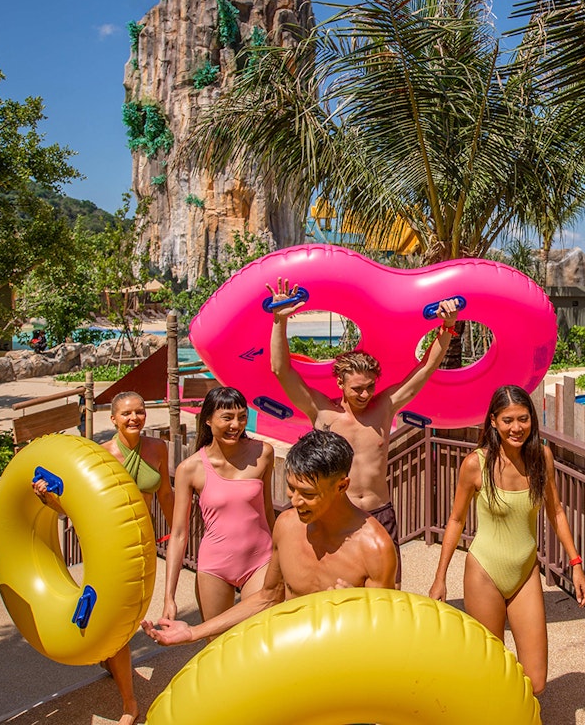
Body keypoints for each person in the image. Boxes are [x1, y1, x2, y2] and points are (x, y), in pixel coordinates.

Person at [267, 276, 460, 580]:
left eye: (369, 387)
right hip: (333, 515)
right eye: (357, 388)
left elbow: (425, 368)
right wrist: (280, 321)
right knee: (333, 587)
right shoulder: (321, 412)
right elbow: (281, 369)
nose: (364, 394)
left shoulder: (383, 408)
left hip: (378, 512)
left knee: (388, 590)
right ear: (339, 383)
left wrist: (447, 327)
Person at [143, 429, 396, 645]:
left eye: (307, 493)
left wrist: (358, 611)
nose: (295, 501)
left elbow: (380, 636)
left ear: (342, 486)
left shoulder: (374, 548)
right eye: (291, 488)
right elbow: (268, 597)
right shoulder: (287, 526)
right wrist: (193, 632)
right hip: (287, 660)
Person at [428, 385, 585, 696]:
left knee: (537, 681)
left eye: (523, 419)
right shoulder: (475, 464)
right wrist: (440, 578)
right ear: (493, 422)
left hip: (525, 571)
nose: (517, 428)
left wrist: (576, 564)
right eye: (508, 420)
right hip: (484, 571)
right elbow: (456, 520)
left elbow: (556, 511)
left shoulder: (541, 457)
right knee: (491, 667)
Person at [30, 391, 175, 725]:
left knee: (121, 620)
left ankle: (109, 661)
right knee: (118, 626)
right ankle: (129, 704)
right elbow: (76, 508)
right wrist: (47, 500)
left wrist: (176, 533)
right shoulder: (101, 455)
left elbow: (165, 492)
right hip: (107, 548)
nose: (135, 418)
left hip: (143, 544)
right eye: (126, 414)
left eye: (140, 411)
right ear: (113, 419)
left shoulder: (158, 448)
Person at [162, 387, 276, 625]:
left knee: (259, 637)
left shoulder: (263, 453)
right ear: (208, 419)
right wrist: (169, 597)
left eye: (242, 416)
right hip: (216, 567)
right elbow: (179, 534)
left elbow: (267, 510)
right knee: (216, 645)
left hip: (260, 561)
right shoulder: (190, 469)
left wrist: (281, 557)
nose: (236, 425)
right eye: (227, 417)